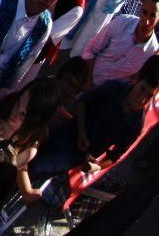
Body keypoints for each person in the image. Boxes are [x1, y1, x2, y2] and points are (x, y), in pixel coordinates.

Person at [29, 55, 159, 181]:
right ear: (136, 80)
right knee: (30, 160)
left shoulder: (136, 124)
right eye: (142, 89)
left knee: (36, 172)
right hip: (66, 132)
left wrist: (96, 166)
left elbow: (115, 156)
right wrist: (81, 132)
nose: (141, 99)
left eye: (148, 96)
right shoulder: (114, 88)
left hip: (77, 157)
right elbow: (83, 102)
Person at [82, 0, 159, 86]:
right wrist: (88, 82)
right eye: (144, 12)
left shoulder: (153, 53)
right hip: (84, 81)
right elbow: (91, 50)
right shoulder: (121, 22)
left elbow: (136, 83)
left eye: (153, 15)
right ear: (140, 9)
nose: (147, 21)